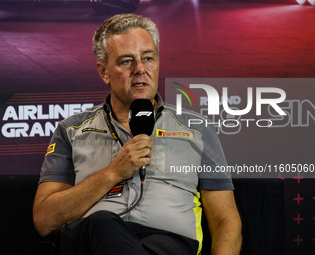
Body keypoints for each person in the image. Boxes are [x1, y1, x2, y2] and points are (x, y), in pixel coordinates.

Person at [33, 13, 242, 255]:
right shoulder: (70, 130)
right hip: (94, 240)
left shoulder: (197, 128)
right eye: (126, 61)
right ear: (104, 72)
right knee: (103, 223)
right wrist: (112, 173)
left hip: (167, 245)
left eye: (148, 58)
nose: (140, 69)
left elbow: (226, 221)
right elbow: (45, 220)